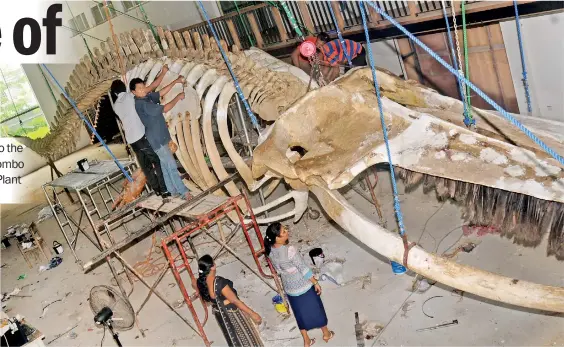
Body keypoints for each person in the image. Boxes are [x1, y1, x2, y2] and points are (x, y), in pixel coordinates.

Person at [263, 222, 335, 347]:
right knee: (316, 309)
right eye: (284, 232)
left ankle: (306, 341)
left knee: (299, 314)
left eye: (285, 229)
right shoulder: (289, 250)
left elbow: (278, 271)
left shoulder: (270, 251)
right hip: (303, 286)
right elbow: (303, 268)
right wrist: (315, 282)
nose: (287, 232)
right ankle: (326, 334)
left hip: (289, 288)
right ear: (277, 238)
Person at [110, 66, 171, 200]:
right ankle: (165, 189)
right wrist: (164, 73)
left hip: (132, 141)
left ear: (114, 93)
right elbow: (151, 87)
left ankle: (157, 190)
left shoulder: (115, 105)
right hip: (141, 137)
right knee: (157, 161)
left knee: (147, 167)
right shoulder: (130, 97)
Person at [130, 76, 193, 200]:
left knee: (165, 166)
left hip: (161, 137)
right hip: (156, 140)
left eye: (143, 87)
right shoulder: (141, 103)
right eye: (140, 88)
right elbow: (165, 108)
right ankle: (184, 192)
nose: (143, 89)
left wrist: (175, 81)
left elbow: (161, 92)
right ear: (133, 92)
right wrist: (178, 97)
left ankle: (172, 190)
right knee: (171, 165)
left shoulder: (145, 97)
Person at [194, 254, 264, 346]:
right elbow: (235, 301)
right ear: (213, 267)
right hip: (232, 313)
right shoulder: (219, 282)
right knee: (247, 339)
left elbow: (194, 282)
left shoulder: (201, 282)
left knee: (234, 339)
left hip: (222, 315)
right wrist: (252, 314)